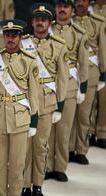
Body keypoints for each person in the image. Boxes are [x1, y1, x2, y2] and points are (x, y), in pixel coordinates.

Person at [0, 19, 39, 196]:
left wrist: (34, 121)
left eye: (14, 35)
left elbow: (34, 94)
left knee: (16, 165)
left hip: (20, 118)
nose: (10, 39)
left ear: (21, 37)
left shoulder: (29, 61)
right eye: (7, 35)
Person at [21, 3, 68, 196]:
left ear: (50, 23)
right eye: (37, 19)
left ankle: (37, 185)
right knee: (24, 147)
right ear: (32, 22)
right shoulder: (22, 44)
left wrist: (60, 105)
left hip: (47, 104)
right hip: (25, 104)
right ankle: (23, 186)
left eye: (44, 20)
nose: (40, 23)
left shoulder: (59, 45)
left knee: (41, 146)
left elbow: (63, 78)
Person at [45, 0, 89, 182]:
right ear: (55, 9)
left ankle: (60, 166)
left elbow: (84, 62)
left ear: (72, 10)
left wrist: (83, 87)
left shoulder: (80, 33)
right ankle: (46, 166)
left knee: (64, 129)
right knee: (48, 131)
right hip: (48, 86)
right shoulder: (48, 30)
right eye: (59, 6)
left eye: (66, 7)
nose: (62, 10)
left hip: (69, 85)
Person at [69, 0, 106, 162]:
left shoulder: (97, 22)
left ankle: (81, 149)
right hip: (70, 74)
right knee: (69, 115)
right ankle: (68, 148)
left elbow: (103, 48)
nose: (80, 4)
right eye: (77, 1)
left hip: (90, 73)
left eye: (83, 0)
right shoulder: (67, 23)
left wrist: (103, 72)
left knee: (85, 115)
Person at [88, 0, 106, 148]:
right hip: (90, 60)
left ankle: (102, 133)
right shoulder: (89, 8)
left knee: (104, 100)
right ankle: (90, 132)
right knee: (90, 100)